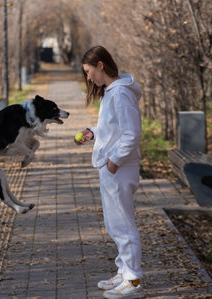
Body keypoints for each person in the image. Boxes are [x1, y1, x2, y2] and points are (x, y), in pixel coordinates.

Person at [75, 45, 144, 299]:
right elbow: (115, 127)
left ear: (100, 65)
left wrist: (114, 160)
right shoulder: (112, 93)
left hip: (119, 168)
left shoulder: (120, 94)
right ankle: (124, 271)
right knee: (114, 224)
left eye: (88, 71)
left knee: (123, 225)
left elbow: (132, 133)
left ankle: (134, 281)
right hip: (112, 167)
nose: (88, 77)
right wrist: (94, 132)